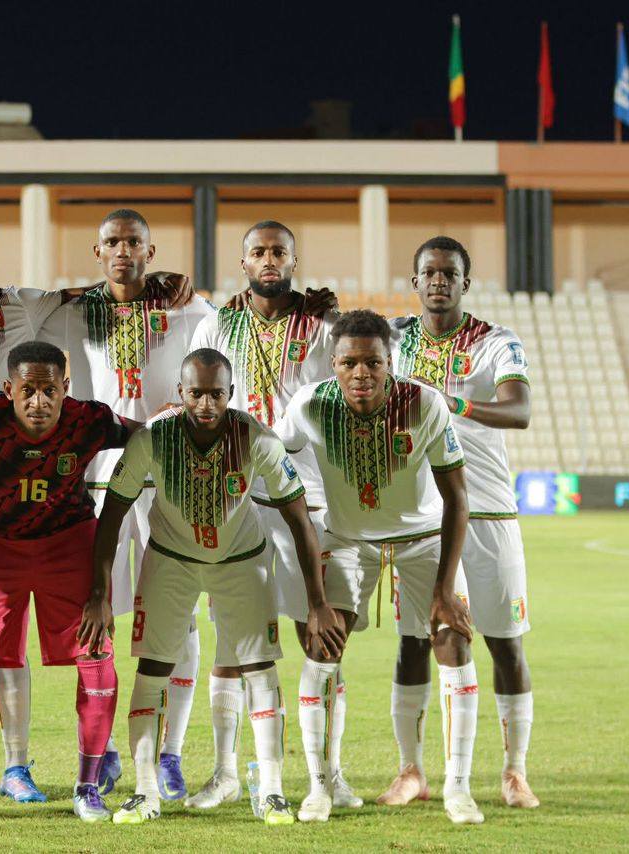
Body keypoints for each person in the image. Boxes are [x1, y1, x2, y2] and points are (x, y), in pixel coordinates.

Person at [97, 348, 344, 825]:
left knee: (259, 669)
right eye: (196, 394)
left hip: (240, 561)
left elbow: (300, 520)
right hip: (171, 560)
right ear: (181, 392)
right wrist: (98, 593)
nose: (206, 404)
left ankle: (271, 790)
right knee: (153, 668)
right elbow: (112, 513)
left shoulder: (257, 438)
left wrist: (317, 602)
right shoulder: (153, 437)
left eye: (216, 394)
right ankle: (145, 792)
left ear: (231, 393)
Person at [0, 340, 137, 823]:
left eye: (50, 390)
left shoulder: (89, 420)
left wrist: (184, 420)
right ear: (8, 389)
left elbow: (145, 436)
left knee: (97, 658)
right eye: (28, 390)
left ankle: (88, 788)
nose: (39, 402)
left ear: (65, 388)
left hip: (67, 547)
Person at [274, 310, 480, 824]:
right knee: (322, 646)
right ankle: (320, 787)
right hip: (348, 540)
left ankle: (458, 789)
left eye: (373, 362)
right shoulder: (309, 405)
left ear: (391, 362)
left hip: (423, 539)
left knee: (453, 640)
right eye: (349, 362)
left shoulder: (424, 404)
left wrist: (444, 589)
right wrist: (315, 599)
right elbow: (276, 458)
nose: (361, 373)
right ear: (333, 363)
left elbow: (458, 498)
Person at [186, 220, 361, 812]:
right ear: (243, 263)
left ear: (293, 259)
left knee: (322, 635)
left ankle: (328, 773)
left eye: (278, 252)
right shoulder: (217, 324)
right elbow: (198, 400)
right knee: (234, 640)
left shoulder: (323, 324)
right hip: (238, 496)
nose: (268, 260)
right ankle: (226, 772)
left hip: (312, 495)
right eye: (258, 252)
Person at [42, 208, 215, 798]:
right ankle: (104, 749)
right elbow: (12, 312)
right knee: (96, 614)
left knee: (178, 615)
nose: (123, 250)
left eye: (133, 242)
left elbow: (220, 375)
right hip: (94, 482)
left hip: (169, 480)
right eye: (112, 242)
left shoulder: (190, 310)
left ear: (150, 251)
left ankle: (170, 753)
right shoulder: (72, 312)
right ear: (97, 252)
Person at [384, 236, 538, 810]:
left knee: (505, 643)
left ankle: (514, 771)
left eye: (449, 273)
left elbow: (519, 410)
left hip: (489, 509)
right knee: (415, 641)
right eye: (429, 272)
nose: (439, 281)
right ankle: (412, 771)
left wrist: (456, 405)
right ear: (415, 281)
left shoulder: (496, 342)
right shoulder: (394, 339)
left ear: (465, 283)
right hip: (420, 515)